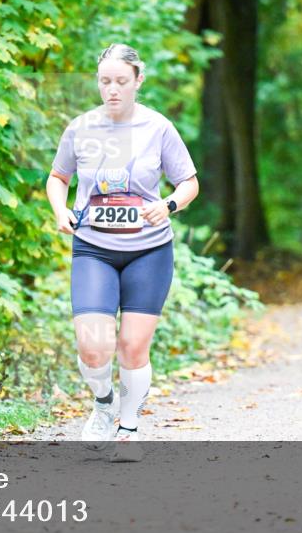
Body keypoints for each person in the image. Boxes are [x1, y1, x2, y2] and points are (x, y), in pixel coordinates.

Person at [45, 43, 199, 462]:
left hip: (149, 250)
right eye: (104, 81)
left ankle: (128, 427)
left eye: (121, 82)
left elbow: (189, 183)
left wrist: (166, 204)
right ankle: (103, 402)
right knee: (93, 346)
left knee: (132, 346)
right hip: (94, 247)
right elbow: (58, 177)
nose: (111, 90)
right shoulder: (80, 128)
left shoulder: (158, 127)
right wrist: (61, 210)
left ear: (137, 81)